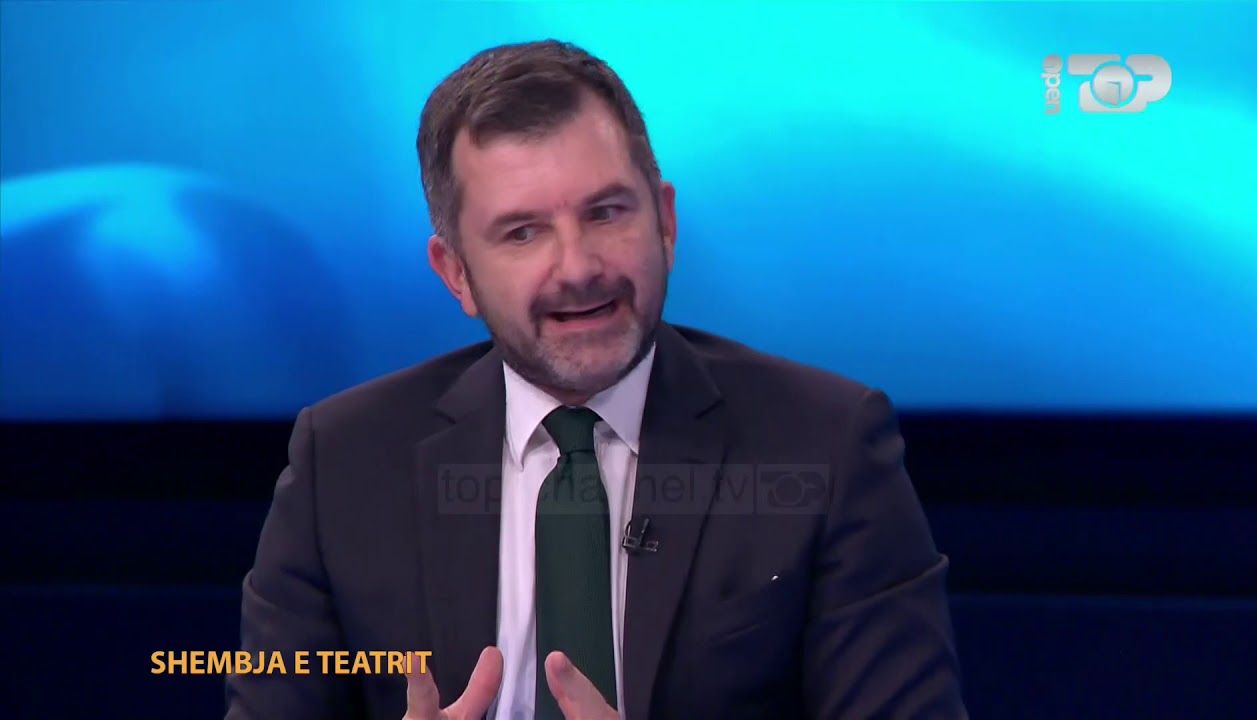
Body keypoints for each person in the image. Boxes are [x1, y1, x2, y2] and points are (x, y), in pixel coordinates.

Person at [226, 39, 967, 720]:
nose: (578, 267)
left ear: (665, 222)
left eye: (606, 213)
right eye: (523, 233)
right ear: (457, 274)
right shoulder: (345, 460)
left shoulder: (826, 444)